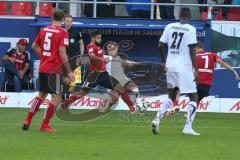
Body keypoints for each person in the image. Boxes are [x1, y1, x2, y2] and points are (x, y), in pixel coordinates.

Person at [57, 30, 140, 114]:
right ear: (93, 38)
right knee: (81, 94)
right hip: (94, 75)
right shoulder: (91, 46)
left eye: (100, 38)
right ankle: (65, 104)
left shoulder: (98, 47)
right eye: (98, 38)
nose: (100, 40)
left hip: (104, 75)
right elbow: (91, 56)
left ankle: (132, 109)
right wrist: (102, 59)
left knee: (120, 88)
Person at [22, 9, 75, 132]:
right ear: (63, 19)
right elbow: (62, 52)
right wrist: (69, 71)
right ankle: (45, 125)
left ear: (52, 17)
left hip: (43, 67)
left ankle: (27, 120)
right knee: (57, 98)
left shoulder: (44, 30)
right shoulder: (63, 32)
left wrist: (45, 56)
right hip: (54, 69)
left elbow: (34, 46)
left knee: (41, 95)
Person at [156, 7, 200, 136]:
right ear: (189, 17)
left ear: (179, 16)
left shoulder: (170, 26)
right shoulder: (191, 29)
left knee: (171, 94)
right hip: (184, 68)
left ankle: (157, 119)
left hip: (170, 66)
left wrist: (164, 62)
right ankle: (187, 127)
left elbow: (160, 45)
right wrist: (196, 70)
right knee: (193, 96)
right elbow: (192, 50)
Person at [101, 41, 148, 112]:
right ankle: (106, 108)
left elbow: (127, 62)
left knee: (135, 90)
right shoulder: (106, 57)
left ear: (116, 49)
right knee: (115, 99)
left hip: (123, 79)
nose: (111, 50)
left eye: (113, 48)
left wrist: (139, 64)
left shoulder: (118, 58)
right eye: (109, 48)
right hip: (112, 82)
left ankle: (136, 107)